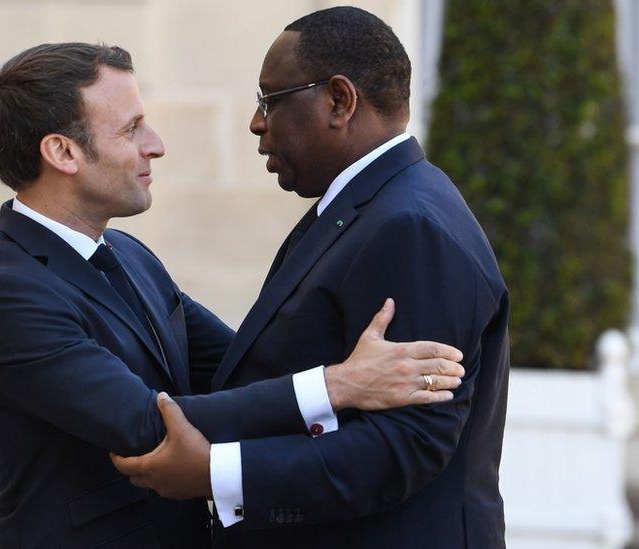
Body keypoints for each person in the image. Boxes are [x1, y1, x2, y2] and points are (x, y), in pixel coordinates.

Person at [0, 41, 466, 548]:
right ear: (62, 152)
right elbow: (150, 424)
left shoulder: (129, 255)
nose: (156, 144)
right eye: (131, 129)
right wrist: (338, 386)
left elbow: (242, 369)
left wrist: (368, 380)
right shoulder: (2, 296)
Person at [111, 7, 510, 548]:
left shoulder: (410, 226)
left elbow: (406, 446)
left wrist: (218, 473)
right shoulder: (363, 207)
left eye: (270, 100)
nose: (256, 123)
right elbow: (270, 358)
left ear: (339, 101)